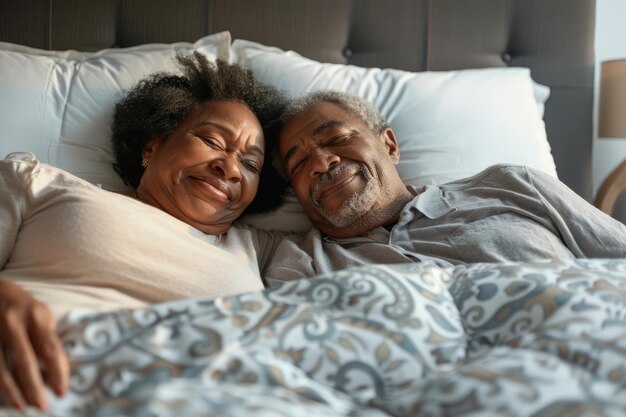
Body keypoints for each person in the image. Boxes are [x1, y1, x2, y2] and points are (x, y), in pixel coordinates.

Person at [0, 52, 287, 410]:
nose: (229, 168)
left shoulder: (261, 250)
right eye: (213, 141)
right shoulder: (38, 183)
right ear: (153, 145)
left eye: (249, 164)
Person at [264, 90, 626, 283]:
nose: (322, 163)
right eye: (298, 164)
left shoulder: (514, 185)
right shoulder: (300, 265)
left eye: (338, 138)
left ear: (389, 145)